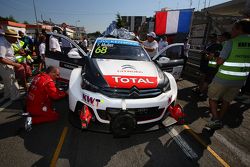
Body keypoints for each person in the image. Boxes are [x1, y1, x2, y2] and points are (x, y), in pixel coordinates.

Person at [206, 19, 250, 129]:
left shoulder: (231, 42)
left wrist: (214, 58)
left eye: (233, 29)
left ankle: (216, 119)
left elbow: (220, 61)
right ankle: (219, 119)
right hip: (240, 80)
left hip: (223, 78)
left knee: (212, 98)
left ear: (239, 29)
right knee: (227, 100)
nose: (231, 31)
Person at [0, 29, 23, 101]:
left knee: (7, 82)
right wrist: (15, 64)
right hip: (5, 65)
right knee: (12, 81)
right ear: (10, 37)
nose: (16, 39)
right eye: (15, 37)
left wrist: (18, 53)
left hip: (7, 64)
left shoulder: (7, 41)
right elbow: (1, 59)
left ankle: (7, 96)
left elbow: (8, 55)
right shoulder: (2, 44)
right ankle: (15, 98)